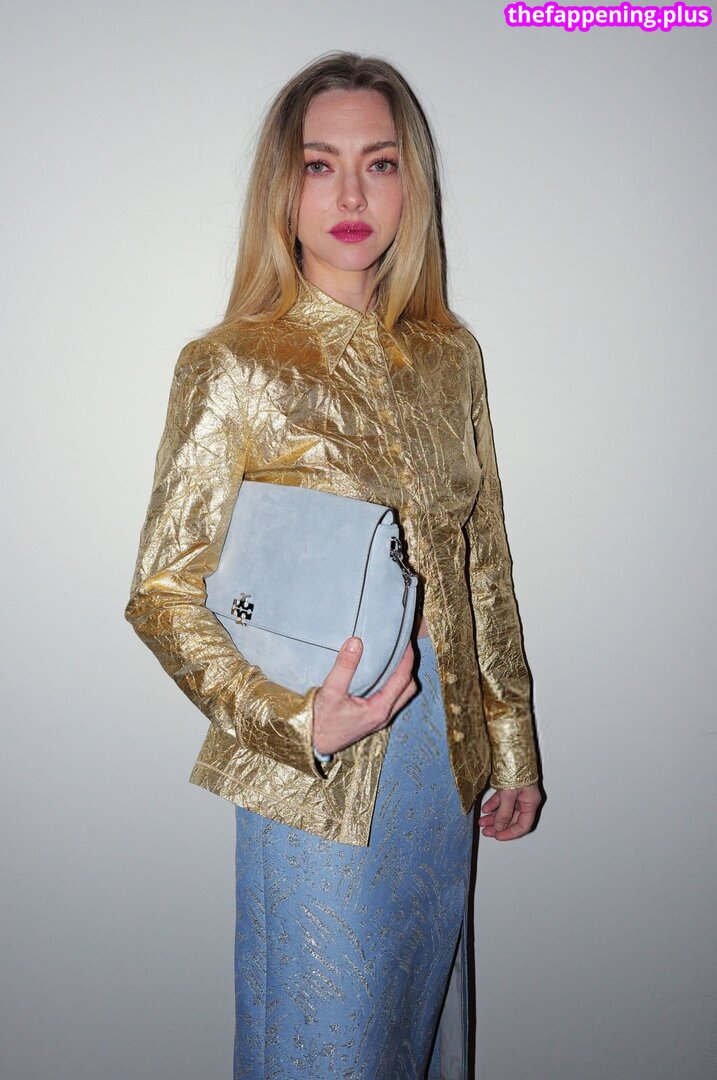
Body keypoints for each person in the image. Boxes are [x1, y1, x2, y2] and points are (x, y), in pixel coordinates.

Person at [125, 50, 542, 1080]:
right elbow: (162, 592)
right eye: (320, 165)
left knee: (425, 1037)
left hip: (439, 765)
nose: (352, 196)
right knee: (328, 1047)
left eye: (379, 164)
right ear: (285, 187)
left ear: (412, 185)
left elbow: (483, 562)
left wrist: (510, 743)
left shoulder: (449, 357)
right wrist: (292, 721)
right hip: (320, 772)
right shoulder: (235, 364)